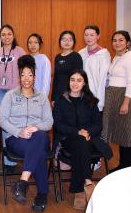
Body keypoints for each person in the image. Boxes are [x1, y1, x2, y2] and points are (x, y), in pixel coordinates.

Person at [0, 55, 53, 212]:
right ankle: (42, 194)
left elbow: (49, 122)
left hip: (37, 137)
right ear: (19, 77)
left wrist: (36, 127)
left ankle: (23, 181)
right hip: (16, 139)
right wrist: (19, 131)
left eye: (30, 75)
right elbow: (2, 120)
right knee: (40, 152)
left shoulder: (42, 97)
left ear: (35, 77)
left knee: (41, 136)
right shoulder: (10, 96)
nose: (26, 78)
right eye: (23, 75)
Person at [53, 69, 112, 210]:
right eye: (72, 79)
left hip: (89, 139)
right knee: (80, 142)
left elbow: (98, 124)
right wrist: (77, 132)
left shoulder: (91, 100)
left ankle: (79, 189)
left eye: (79, 80)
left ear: (84, 83)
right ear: (68, 82)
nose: (75, 83)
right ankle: (87, 182)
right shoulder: (61, 100)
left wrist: (88, 132)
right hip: (68, 138)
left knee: (82, 144)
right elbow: (58, 124)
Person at [102, 30, 131, 171]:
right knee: (119, 132)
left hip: (124, 97)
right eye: (114, 40)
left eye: (121, 40)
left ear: (128, 43)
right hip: (113, 96)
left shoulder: (129, 57)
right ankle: (123, 165)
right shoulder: (116, 57)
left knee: (126, 132)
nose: (117, 43)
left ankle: (127, 166)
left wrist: (126, 102)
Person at [79, 25, 111, 111]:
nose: (88, 38)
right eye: (86, 35)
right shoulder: (81, 53)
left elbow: (103, 79)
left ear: (98, 36)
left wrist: (100, 102)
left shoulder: (104, 54)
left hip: (96, 96)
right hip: (82, 94)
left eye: (92, 35)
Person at [0, 24, 25, 106]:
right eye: (3, 35)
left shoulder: (20, 51)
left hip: (16, 88)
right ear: (0, 37)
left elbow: (26, 70)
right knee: (3, 114)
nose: (6, 37)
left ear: (13, 36)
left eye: (9, 34)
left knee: (15, 114)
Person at [51, 30, 83, 106]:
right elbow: (56, 78)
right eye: (64, 39)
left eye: (70, 39)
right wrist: (53, 98)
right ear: (60, 41)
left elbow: (79, 79)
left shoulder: (76, 56)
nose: (67, 42)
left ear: (73, 42)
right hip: (58, 95)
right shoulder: (57, 57)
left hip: (71, 95)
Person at [27, 33, 51, 97]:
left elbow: (46, 82)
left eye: (36, 42)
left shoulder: (44, 59)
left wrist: (42, 98)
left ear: (40, 44)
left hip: (38, 97)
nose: (33, 45)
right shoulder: (26, 59)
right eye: (30, 42)